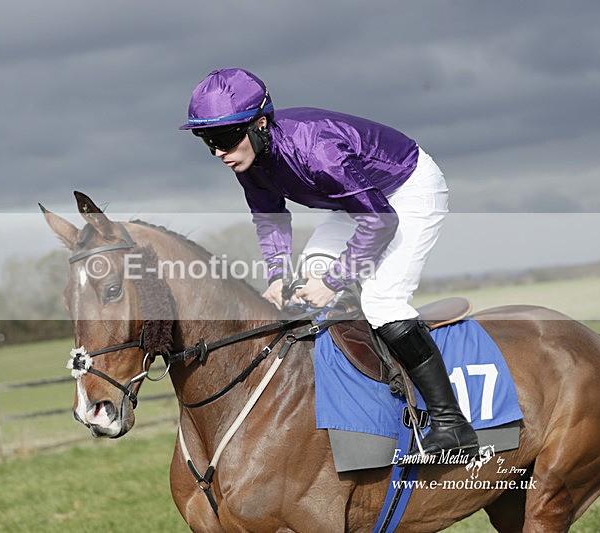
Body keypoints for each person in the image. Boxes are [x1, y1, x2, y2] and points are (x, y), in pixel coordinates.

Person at [180, 68, 477, 461]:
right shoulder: (248, 158)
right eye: (208, 141)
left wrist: (336, 280)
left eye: (225, 138)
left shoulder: (316, 149)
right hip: (355, 201)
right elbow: (270, 218)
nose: (219, 151)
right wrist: (278, 275)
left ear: (261, 124)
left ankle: (450, 423)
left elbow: (381, 220)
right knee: (306, 285)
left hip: (407, 189)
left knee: (382, 302)